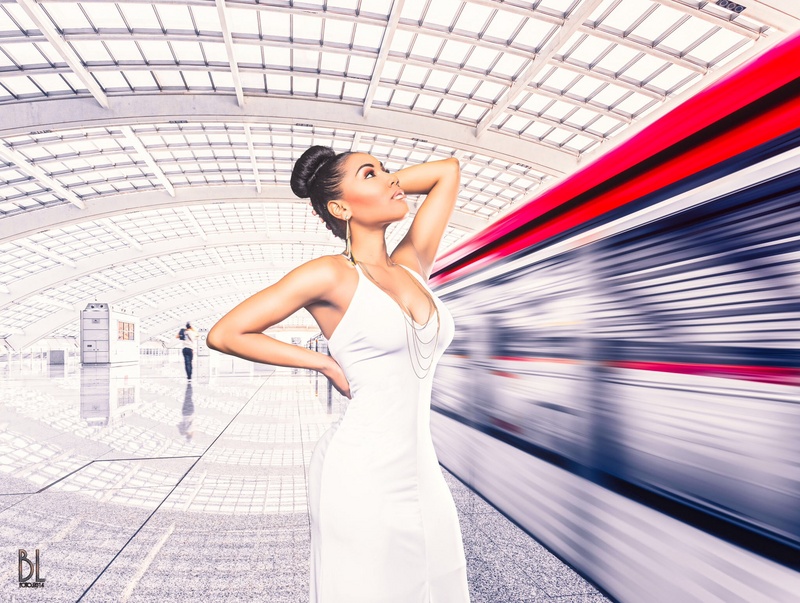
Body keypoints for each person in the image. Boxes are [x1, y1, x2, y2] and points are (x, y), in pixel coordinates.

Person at [207, 145, 469, 602]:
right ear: (340, 207)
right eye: (372, 173)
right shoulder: (330, 275)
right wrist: (324, 362)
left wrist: (381, 182)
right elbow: (227, 333)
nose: (390, 179)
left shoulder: (412, 265)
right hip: (361, 470)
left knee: (439, 580)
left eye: (387, 170)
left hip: (422, 467)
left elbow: (447, 172)